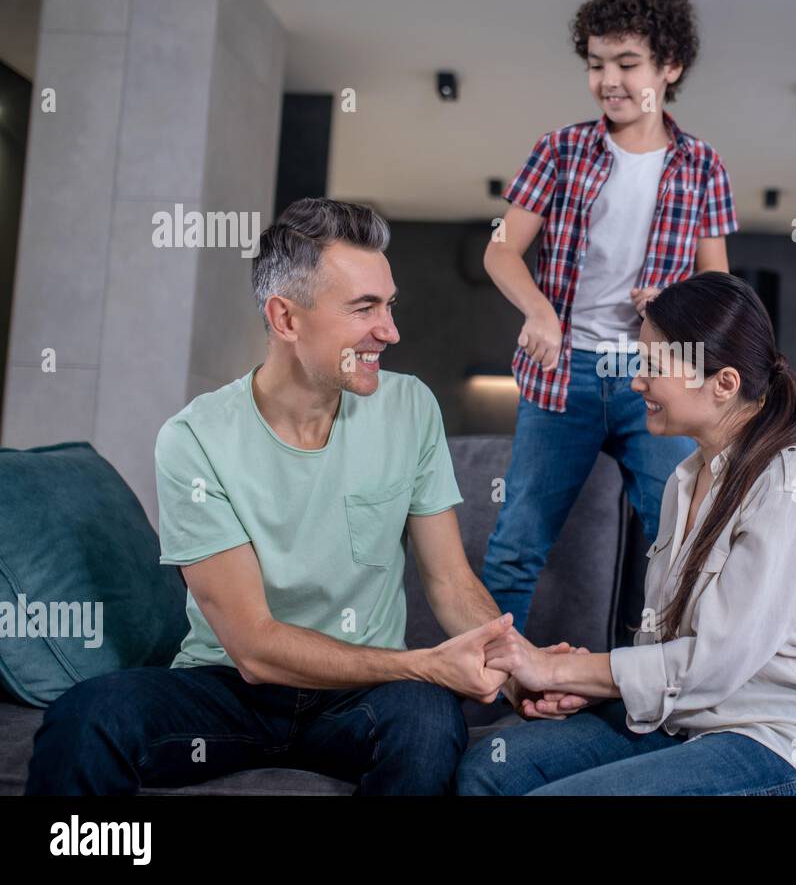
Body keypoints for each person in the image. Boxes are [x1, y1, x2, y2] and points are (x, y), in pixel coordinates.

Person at [25, 198, 581, 796]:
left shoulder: (410, 407)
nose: (390, 331)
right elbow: (255, 647)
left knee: (426, 719)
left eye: (389, 306)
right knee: (87, 718)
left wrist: (518, 664)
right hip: (230, 691)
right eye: (364, 308)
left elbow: (449, 583)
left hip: (357, 701)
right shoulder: (195, 439)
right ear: (286, 319)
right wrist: (419, 664)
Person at [456, 271, 796, 796]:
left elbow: (712, 664)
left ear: (723, 383)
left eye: (653, 367)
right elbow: (663, 644)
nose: (635, 382)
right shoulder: (686, 479)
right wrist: (591, 683)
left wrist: (555, 669)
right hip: (685, 721)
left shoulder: (792, 491)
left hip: (778, 740)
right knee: (488, 770)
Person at [481, 0, 738, 634]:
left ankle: (657, 691)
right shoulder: (562, 149)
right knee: (517, 545)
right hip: (562, 374)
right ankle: (476, 691)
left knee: (675, 544)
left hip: (655, 381)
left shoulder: (704, 167)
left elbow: (719, 294)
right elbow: (501, 250)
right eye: (597, 64)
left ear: (669, 66)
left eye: (629, 63)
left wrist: (676, 301)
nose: (609, 80)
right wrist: (540, 312)